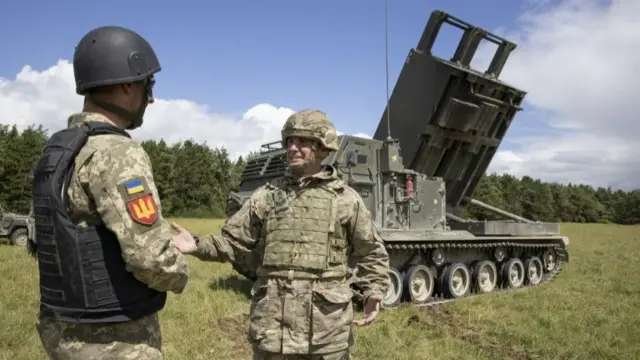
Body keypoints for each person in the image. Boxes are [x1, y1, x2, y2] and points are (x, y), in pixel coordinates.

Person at [172, 109, 391, 360]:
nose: (293, 148)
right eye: (289, 141)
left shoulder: (345, 200)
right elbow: (232, 242)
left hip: (326, 334)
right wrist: (196, 245)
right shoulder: (266, 196)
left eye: (303, 142)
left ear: (321, 147)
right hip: (273, 332)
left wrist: (373, 292)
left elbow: (372, 252)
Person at [29, 25, 190, 360]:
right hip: (114, 339)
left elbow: (40, 237)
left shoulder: (57, 152)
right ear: (129, 84)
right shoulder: (115, 152)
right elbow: (152, 259)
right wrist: (180, 268)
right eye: (148, 85)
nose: (150, 97)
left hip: (60, 331)